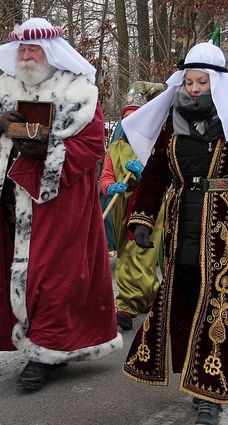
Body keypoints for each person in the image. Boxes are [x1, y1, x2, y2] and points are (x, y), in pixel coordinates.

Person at [121, 42, 228, 425]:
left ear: (217, 82)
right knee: (182, 298)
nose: (195, 88)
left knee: (219, 306)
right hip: (181, 219)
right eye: (189, 81)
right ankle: (190, 374)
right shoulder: (172, 121)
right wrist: (143, 218)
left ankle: (209, 395)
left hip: (227, 225)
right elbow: (154, 173)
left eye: (202, 81)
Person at [0, 17, 122, 391]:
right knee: (15, 270)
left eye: (34, 49)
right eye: (23, 50)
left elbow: (94, 144)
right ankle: (36, 341)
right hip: (12, 199)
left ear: (51, 51)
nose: (27, 56)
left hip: (59, 200)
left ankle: (45, 352)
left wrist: (49, 149)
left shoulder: (78, 89)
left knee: (52, 275)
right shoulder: (4, 86)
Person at [100, 92, 164, 332]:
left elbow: (164, 177)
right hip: (120, 209)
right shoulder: (115, 149)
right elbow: (106, 175)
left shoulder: (154, 146)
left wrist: (143, 175)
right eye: (126, 120)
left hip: (148, 206)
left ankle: (125, 306)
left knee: (137, 258)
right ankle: (150, 296)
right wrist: (110, 186)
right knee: (127, 254)